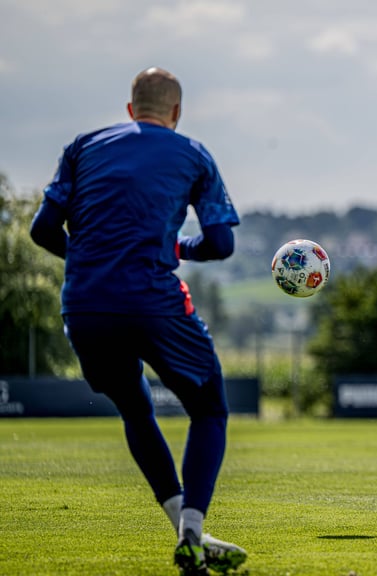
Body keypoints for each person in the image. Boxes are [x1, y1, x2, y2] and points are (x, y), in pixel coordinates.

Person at [30, 67, 247, 575]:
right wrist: (180, 248)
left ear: (130, 109)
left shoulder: (83, 146)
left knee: (135, 407)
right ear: (176, 113)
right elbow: (222, 244)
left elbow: (42, 230)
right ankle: (192, 531)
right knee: (210, 409)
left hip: (84, 304)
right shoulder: (192, 153)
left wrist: (89, 262)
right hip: (152, 301)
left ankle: (184, 530)